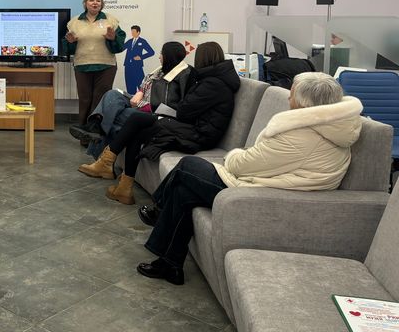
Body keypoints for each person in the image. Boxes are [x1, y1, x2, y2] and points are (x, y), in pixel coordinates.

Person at [135, 72, 363, 285]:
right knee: (184, 192)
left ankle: (159, 209)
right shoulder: (332, 128)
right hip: (273, 187)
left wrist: (234, 154)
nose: (289, 98)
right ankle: (170, 264)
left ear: (305, 103)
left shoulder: (300, 136)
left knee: (187, 165)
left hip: (261, 196)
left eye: (292, 94)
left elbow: (240, 165)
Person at [104, 41, 239, 205]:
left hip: (199, 134)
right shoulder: (214, 80)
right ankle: (121, 182)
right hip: (196, 128)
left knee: (137, 122)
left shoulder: (212, 84)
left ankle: (112, 167)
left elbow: (184, 110)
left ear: (202, 59)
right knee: (137, 124)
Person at [70, 41, 191, 149]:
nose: (159, 57)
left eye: (162, 54)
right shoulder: (161, 70)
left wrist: (143, 105)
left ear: (169, 56)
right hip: (139, 101)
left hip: (151, 112)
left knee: (113, 116)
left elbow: (170, 105)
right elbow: (147, 84)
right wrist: (140, 92)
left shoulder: (182, 76)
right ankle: (95, 126)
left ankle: (97, 131)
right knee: (113, 94)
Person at [63, 0, 126, 128]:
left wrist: (113, 38)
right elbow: (67, 48)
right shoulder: (74, 22)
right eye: (91, 0)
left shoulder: (111, 20)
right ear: (85, 3)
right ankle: (83, 129)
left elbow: (120, 46)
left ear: (102, 4)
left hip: (106, 66)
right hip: (82, 65)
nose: (95, 3)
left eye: (98, 0)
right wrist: (71, 43)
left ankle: (95, 129)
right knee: (84, 99)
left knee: (100, 98)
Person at [122, 25, 155, 94]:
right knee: (129, 85)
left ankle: (142, 99)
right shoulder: (129, 41)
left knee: (141, 85)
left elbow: (151, 52)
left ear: (138, 32)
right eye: (131, 32)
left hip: (137, 66)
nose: (132, 33)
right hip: (128, 66)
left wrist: (141, 57)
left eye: (134, 32)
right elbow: (121, 48)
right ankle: (131, 99)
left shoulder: (142, 41)